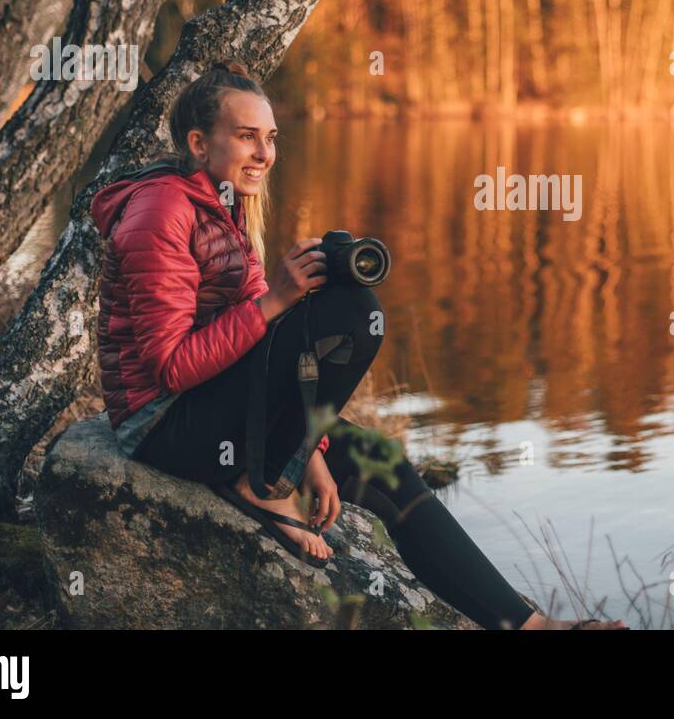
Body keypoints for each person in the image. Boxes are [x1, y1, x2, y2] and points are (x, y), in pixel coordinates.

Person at [90, 62, 626, 631]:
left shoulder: (226, 208)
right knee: (349, 312)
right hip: (160, 424)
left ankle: (532, 627)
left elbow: (255, 349)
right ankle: (257, 482)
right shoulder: (162, 211)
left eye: (271, 138)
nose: (265, 154)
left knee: (386, 463)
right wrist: (277, 299)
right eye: (247, 136)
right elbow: (171, 367)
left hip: (218, 411)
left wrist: (310, 449)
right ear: (199, 144)